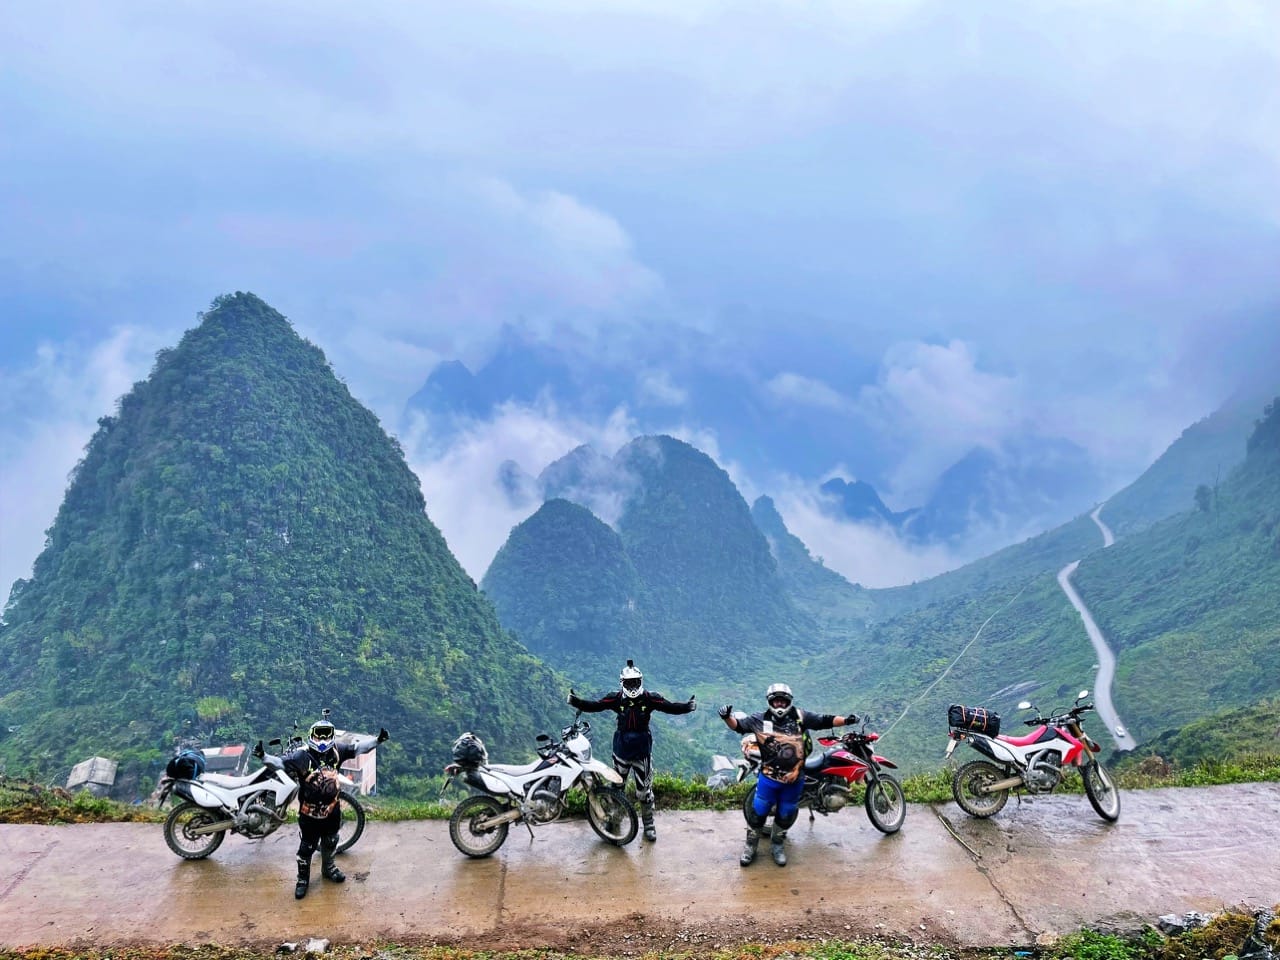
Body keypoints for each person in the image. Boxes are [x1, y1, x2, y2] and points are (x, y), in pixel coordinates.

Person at [719, 683, 857, 867]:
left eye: (783, 701)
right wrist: (726, 717)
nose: (779, 705)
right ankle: (750, 847)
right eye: (776, 701)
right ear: (770, 702)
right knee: (758, 813)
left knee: (786, 814)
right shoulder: (758, 719)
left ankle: (777, 846)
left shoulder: (801, 717)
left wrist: (846, 720)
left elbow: (824, 720)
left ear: (789, 702)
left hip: (794, 780)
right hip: (768, 780)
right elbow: (738, 726)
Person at [568, 659, 696, 841]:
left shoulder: (649, 698)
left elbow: (669, 706)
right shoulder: (616, 698)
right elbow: (596, 705)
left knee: (644, 790)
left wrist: (687, 707)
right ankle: (615, 819)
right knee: (617, 787)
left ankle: (649, 824)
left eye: (635, 681)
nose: (632, 685)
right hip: (621, 750)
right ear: (622, 683)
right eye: (629, 682)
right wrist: (577, 702)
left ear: (640, 681)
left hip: (642, 751)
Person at [281, 714, 389, 899]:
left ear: (331, 736)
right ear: (311, 736)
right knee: (307, 847)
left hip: (332, 810)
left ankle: (328, 868)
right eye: (318, 735)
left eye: (325, 735)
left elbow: (358, 748)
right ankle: (302, 879)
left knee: (331, 840)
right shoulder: (302, 755)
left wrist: (377, 740)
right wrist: (264, 757)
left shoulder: (337, 751)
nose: (322, 739)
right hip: (309, 814)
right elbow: (279, 763)